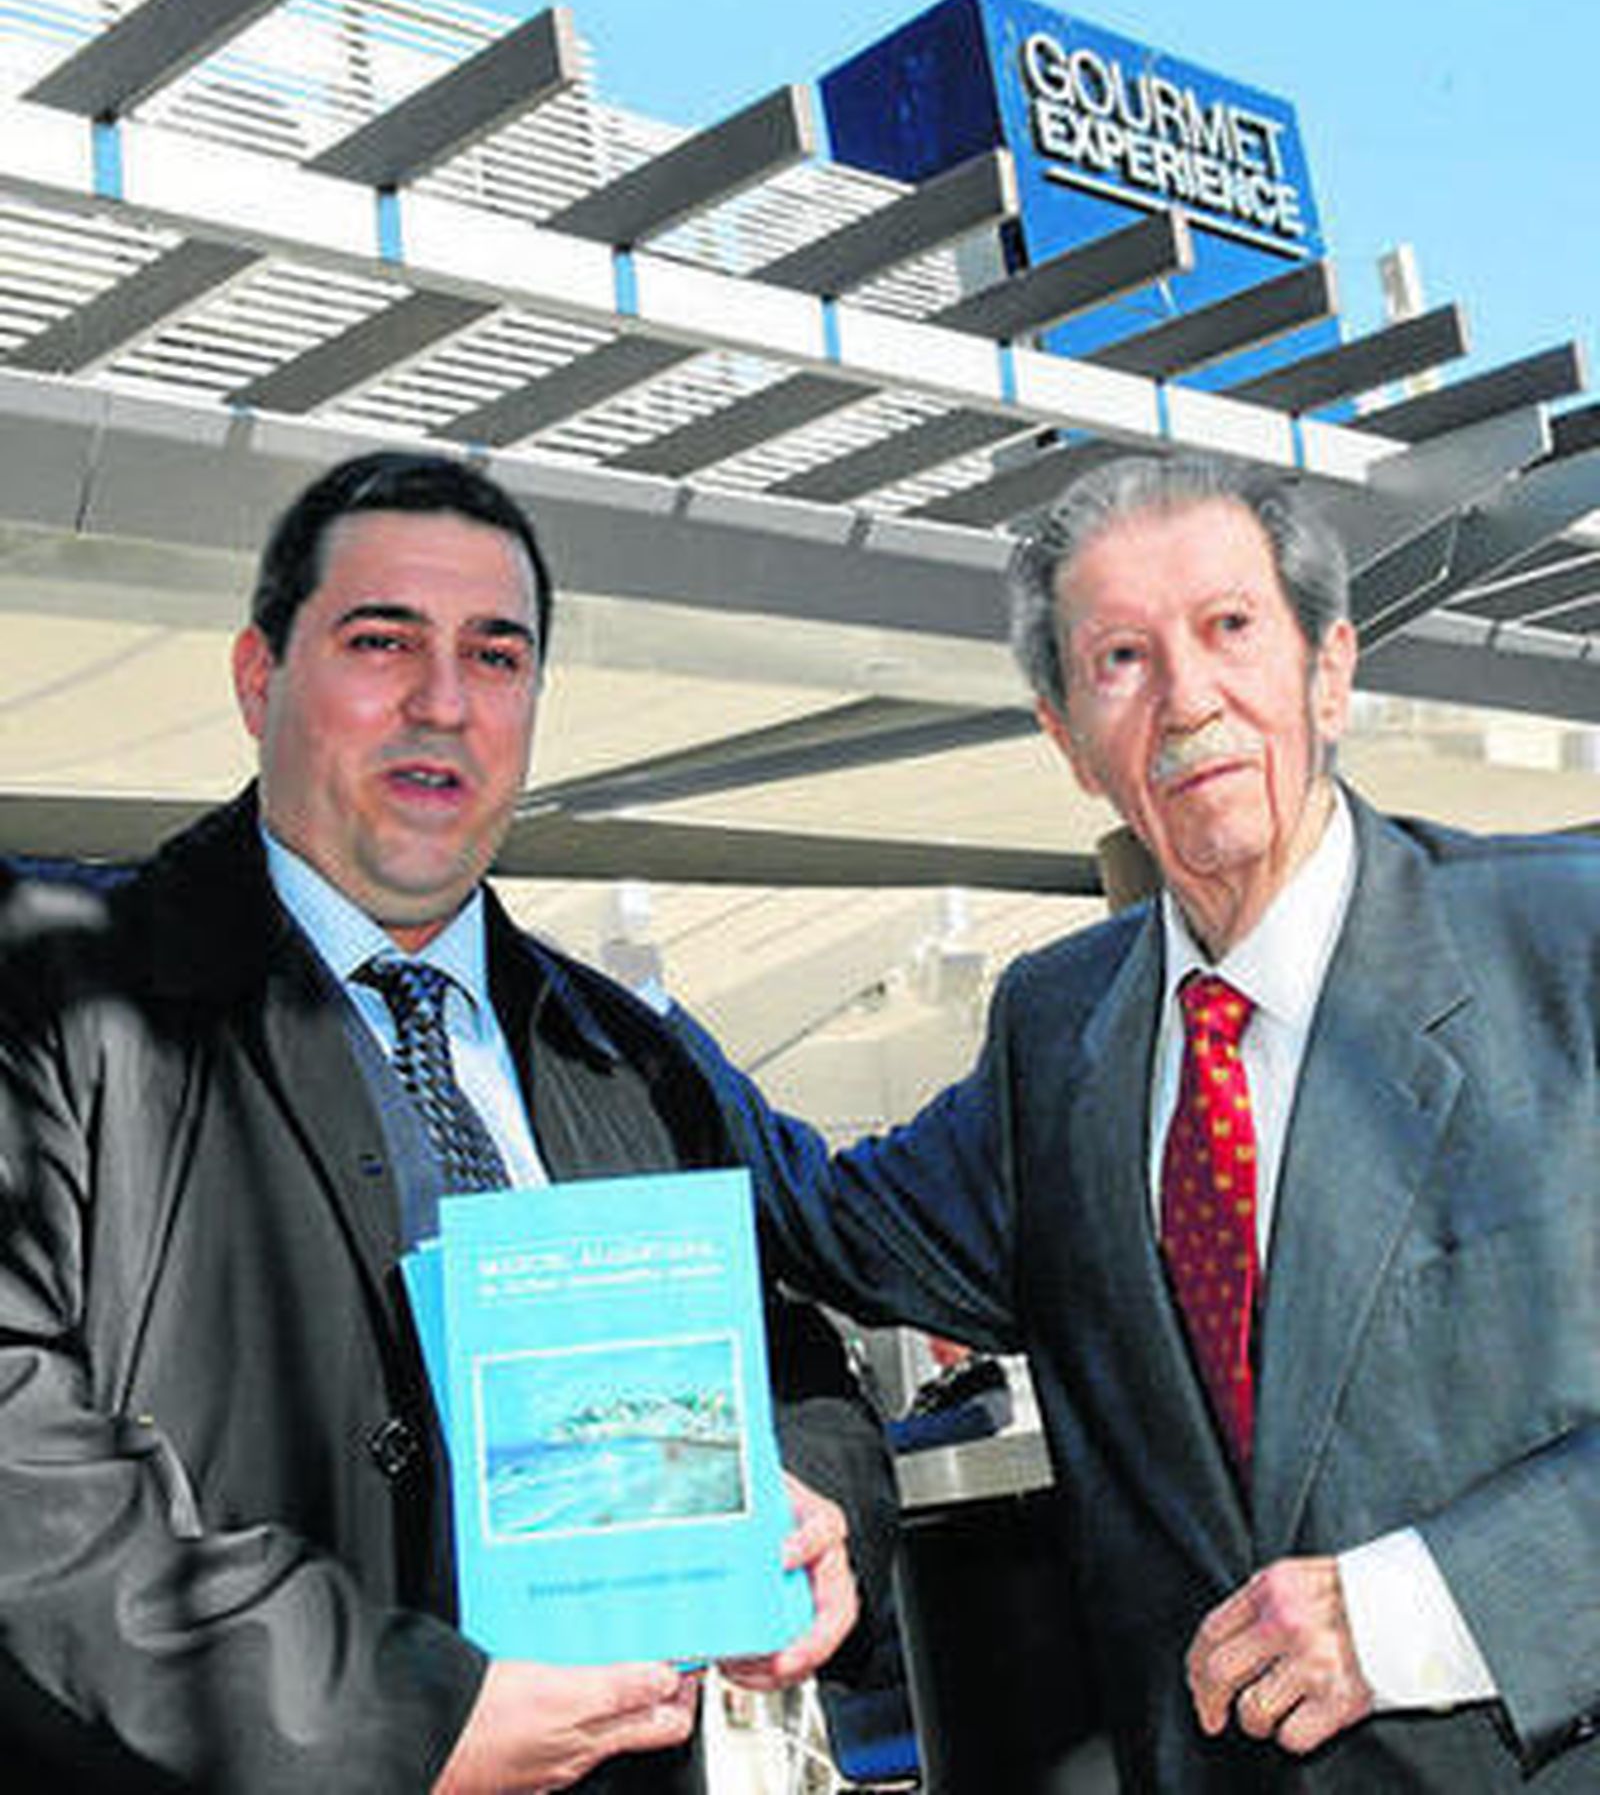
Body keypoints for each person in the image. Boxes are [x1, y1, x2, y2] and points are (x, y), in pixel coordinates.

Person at [0, 450, 893, 1793]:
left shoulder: (632, 1056)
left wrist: (817, 1503)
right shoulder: (52, 987)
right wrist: (389, 1718)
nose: (444, 702)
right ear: (258, 678)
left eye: (496, 656)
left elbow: (798, 1367)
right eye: (382, 642)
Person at [721, 452, 1600, 1789]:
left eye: (1230, 627)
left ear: (1330, 672)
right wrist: (539, 992)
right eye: (1122, 659)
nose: (1188, 699)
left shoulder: (1569, 942)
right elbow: (829, 1222)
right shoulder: (1055, 1030)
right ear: (1070, 739)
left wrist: (1436, 1606)